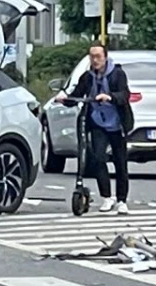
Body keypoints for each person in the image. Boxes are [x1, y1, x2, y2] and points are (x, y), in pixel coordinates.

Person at [58, 43, 135, 215]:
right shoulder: (88, 77)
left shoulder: (117, 74)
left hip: (117, 124)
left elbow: (125, 95)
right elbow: (78, 94)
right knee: (99, 158)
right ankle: (107, 197)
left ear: (105, 57)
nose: (95, 60)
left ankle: (122, 200)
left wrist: (110, 97)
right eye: (92, 56)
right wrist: (64, 98)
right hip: (98, 123)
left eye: (98, 56)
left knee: (120, 162)